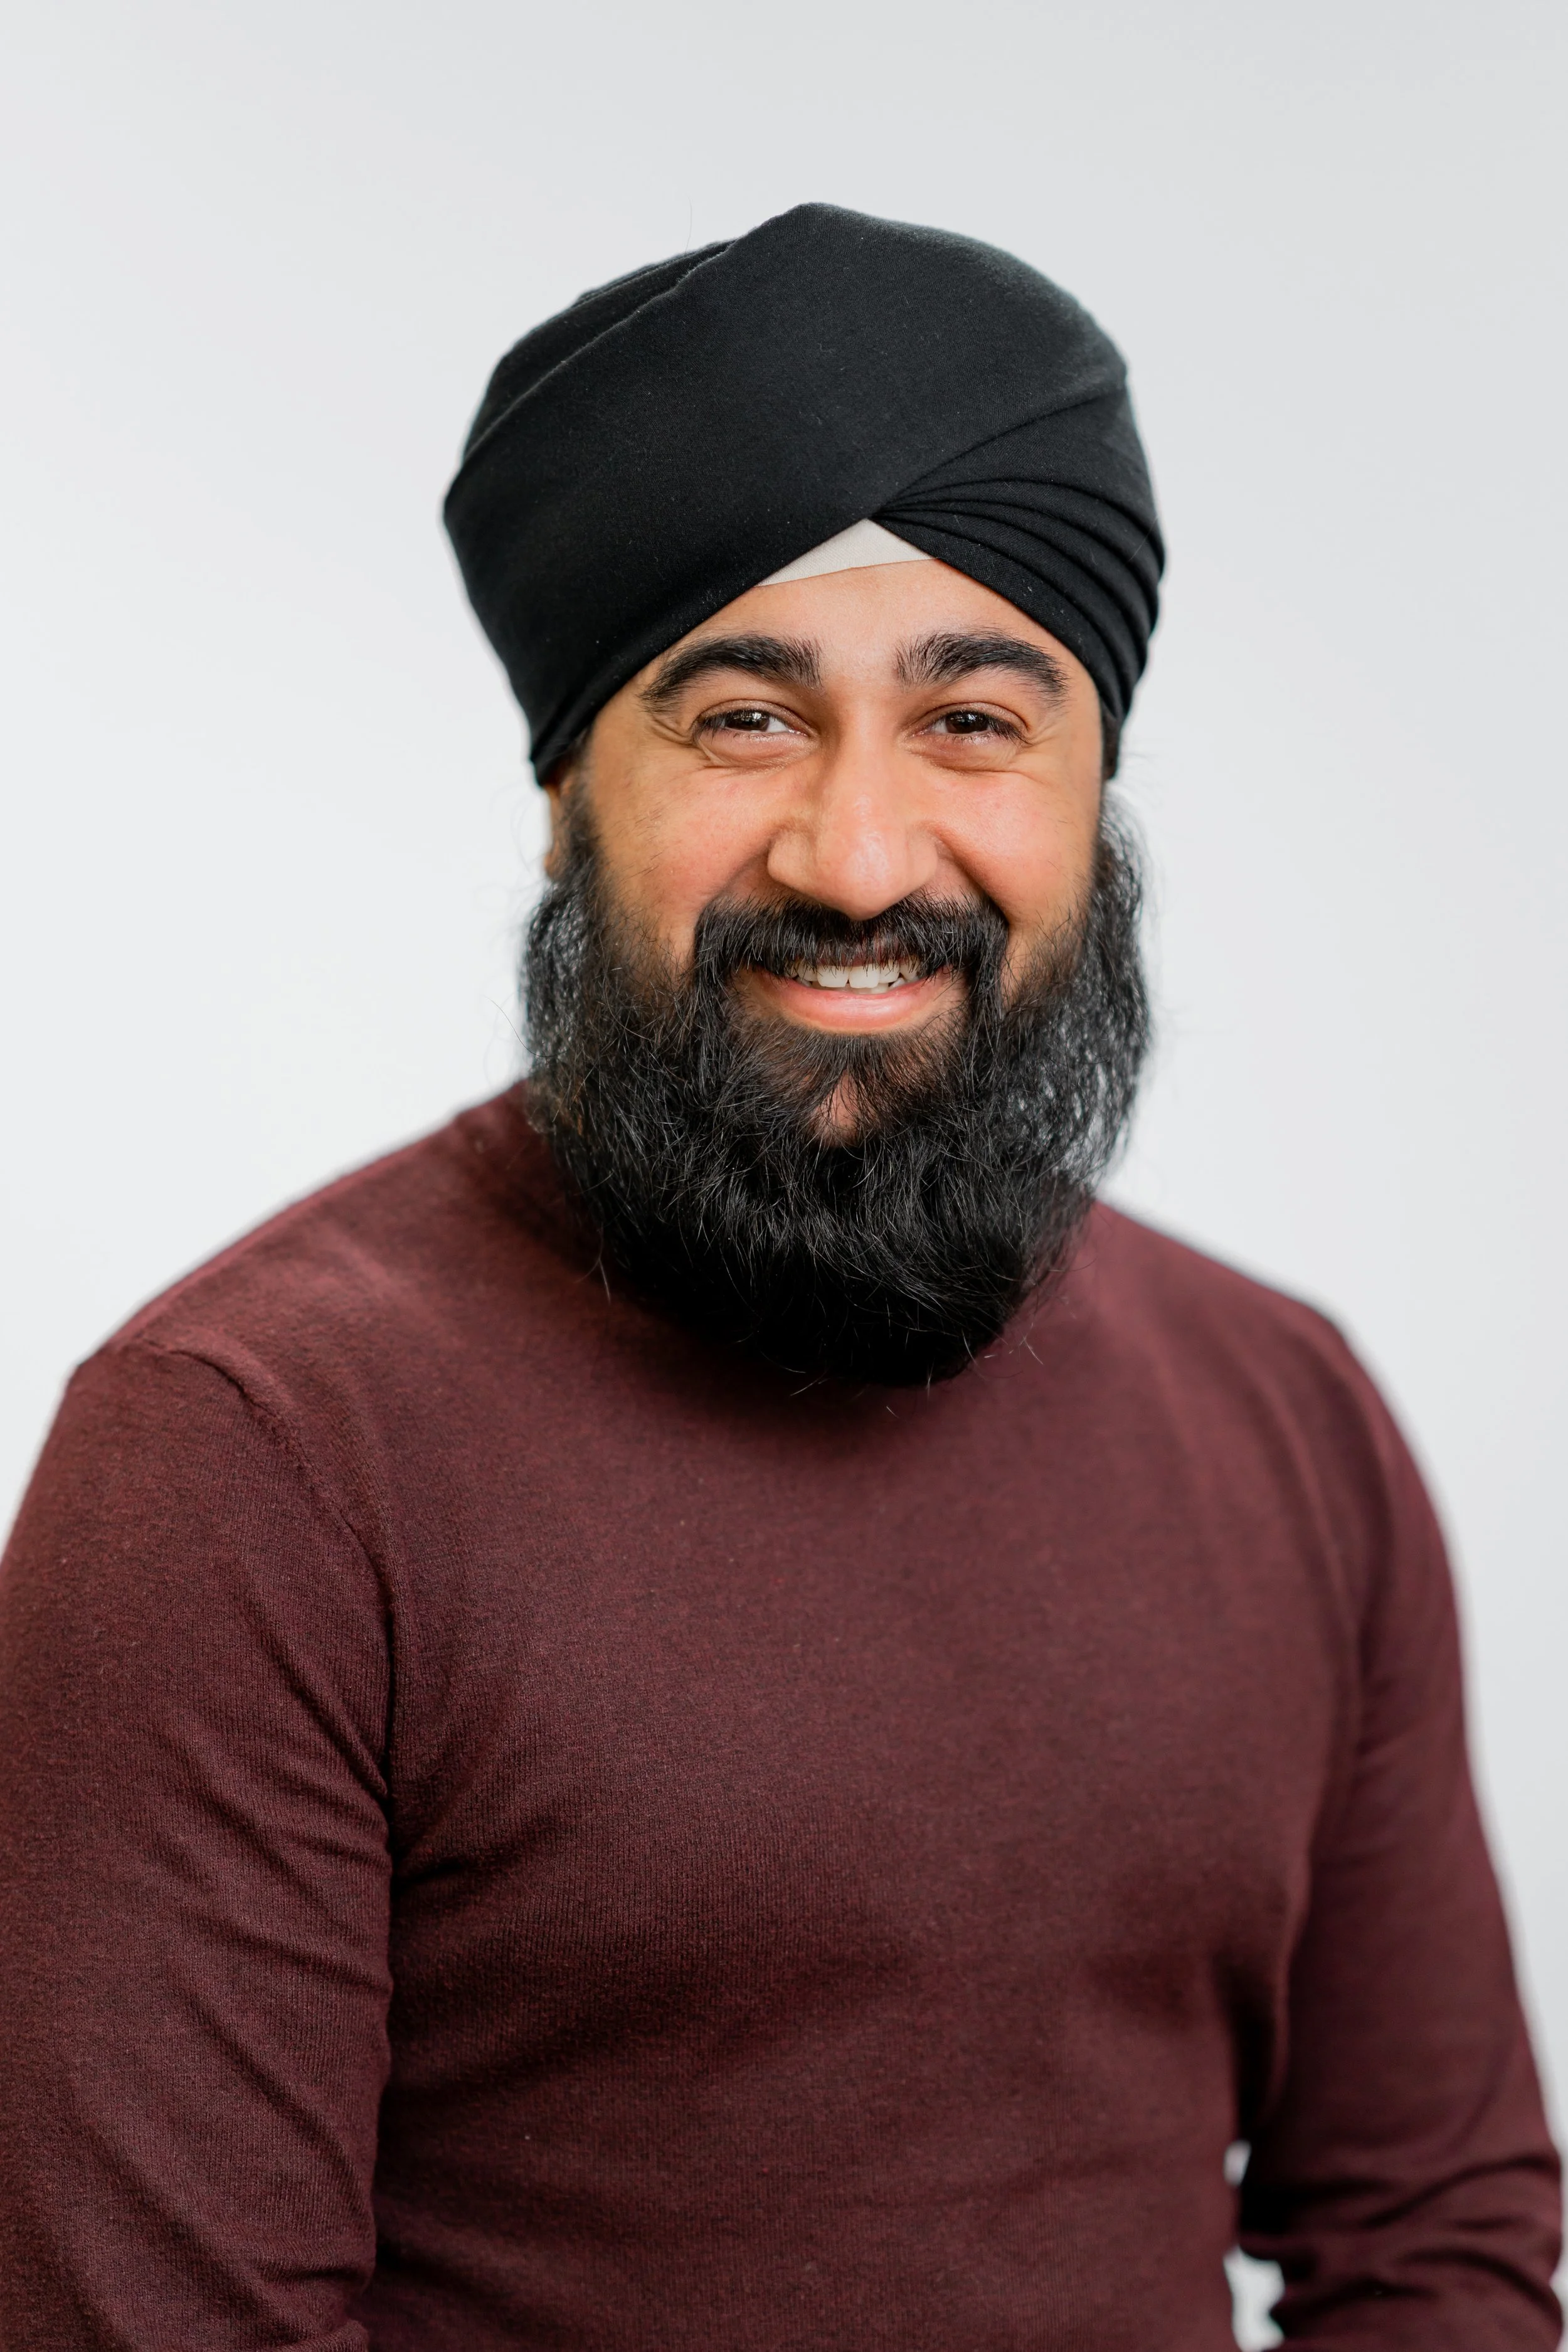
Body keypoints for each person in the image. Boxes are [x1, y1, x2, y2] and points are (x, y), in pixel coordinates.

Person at [0, 203, 1558, 2351]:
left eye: (974, 721)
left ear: (1098, 784)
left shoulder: (1284, 1410)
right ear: (566, 793)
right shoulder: (249, 1454)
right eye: (741, 717)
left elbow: (1440, 2247)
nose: (854, 854)